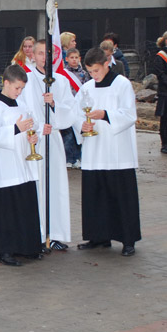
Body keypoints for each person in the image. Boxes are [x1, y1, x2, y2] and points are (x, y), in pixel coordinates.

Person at [73, 47, 141, 256]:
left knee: (121, 195)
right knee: (96, 195)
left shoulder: (122, 84)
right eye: (90, 72)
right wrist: (81, 126)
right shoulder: (87, 87)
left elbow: (129, 114)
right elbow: (77, 114)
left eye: (96, 70)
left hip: (117, 151)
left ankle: (127, 239)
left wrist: (105, 114)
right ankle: (98, 236)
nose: (94, 75)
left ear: (106, 63)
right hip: (94, 151)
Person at [17, 39, 76, 252]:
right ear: (33, 55)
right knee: (38, 187)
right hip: (36, 140)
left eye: (47, 54)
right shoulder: (27, 79)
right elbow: (21, 108)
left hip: (54, 140)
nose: (44, 57)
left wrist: (53, 104)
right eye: (40, 53)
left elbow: (70, 111)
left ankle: (56, 234)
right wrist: (39, 127)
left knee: (56, 186)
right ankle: (39, 235)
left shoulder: (60, 81)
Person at [0, 64, 44, 267]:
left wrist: (32, 134)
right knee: (7, 210)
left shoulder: (21, 105)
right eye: (17, 88)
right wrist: (15, 129)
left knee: (24, 206)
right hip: (5, 168)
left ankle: (26, 246)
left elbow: (32, 124)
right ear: (6, 83)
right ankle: (4, 250)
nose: (19, 92)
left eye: (22, 89)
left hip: (23, 165)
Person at [63, 47, 87, 168]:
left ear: (79, 59)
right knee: (68, 135)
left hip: (79, 107)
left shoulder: (84, 73)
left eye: (76, 57)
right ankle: (69, 158)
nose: (74, 60)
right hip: (68, 106)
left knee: (79, 133)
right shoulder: (63, 73)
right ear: (66, 59)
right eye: (71, 58)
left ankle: (78, 157)